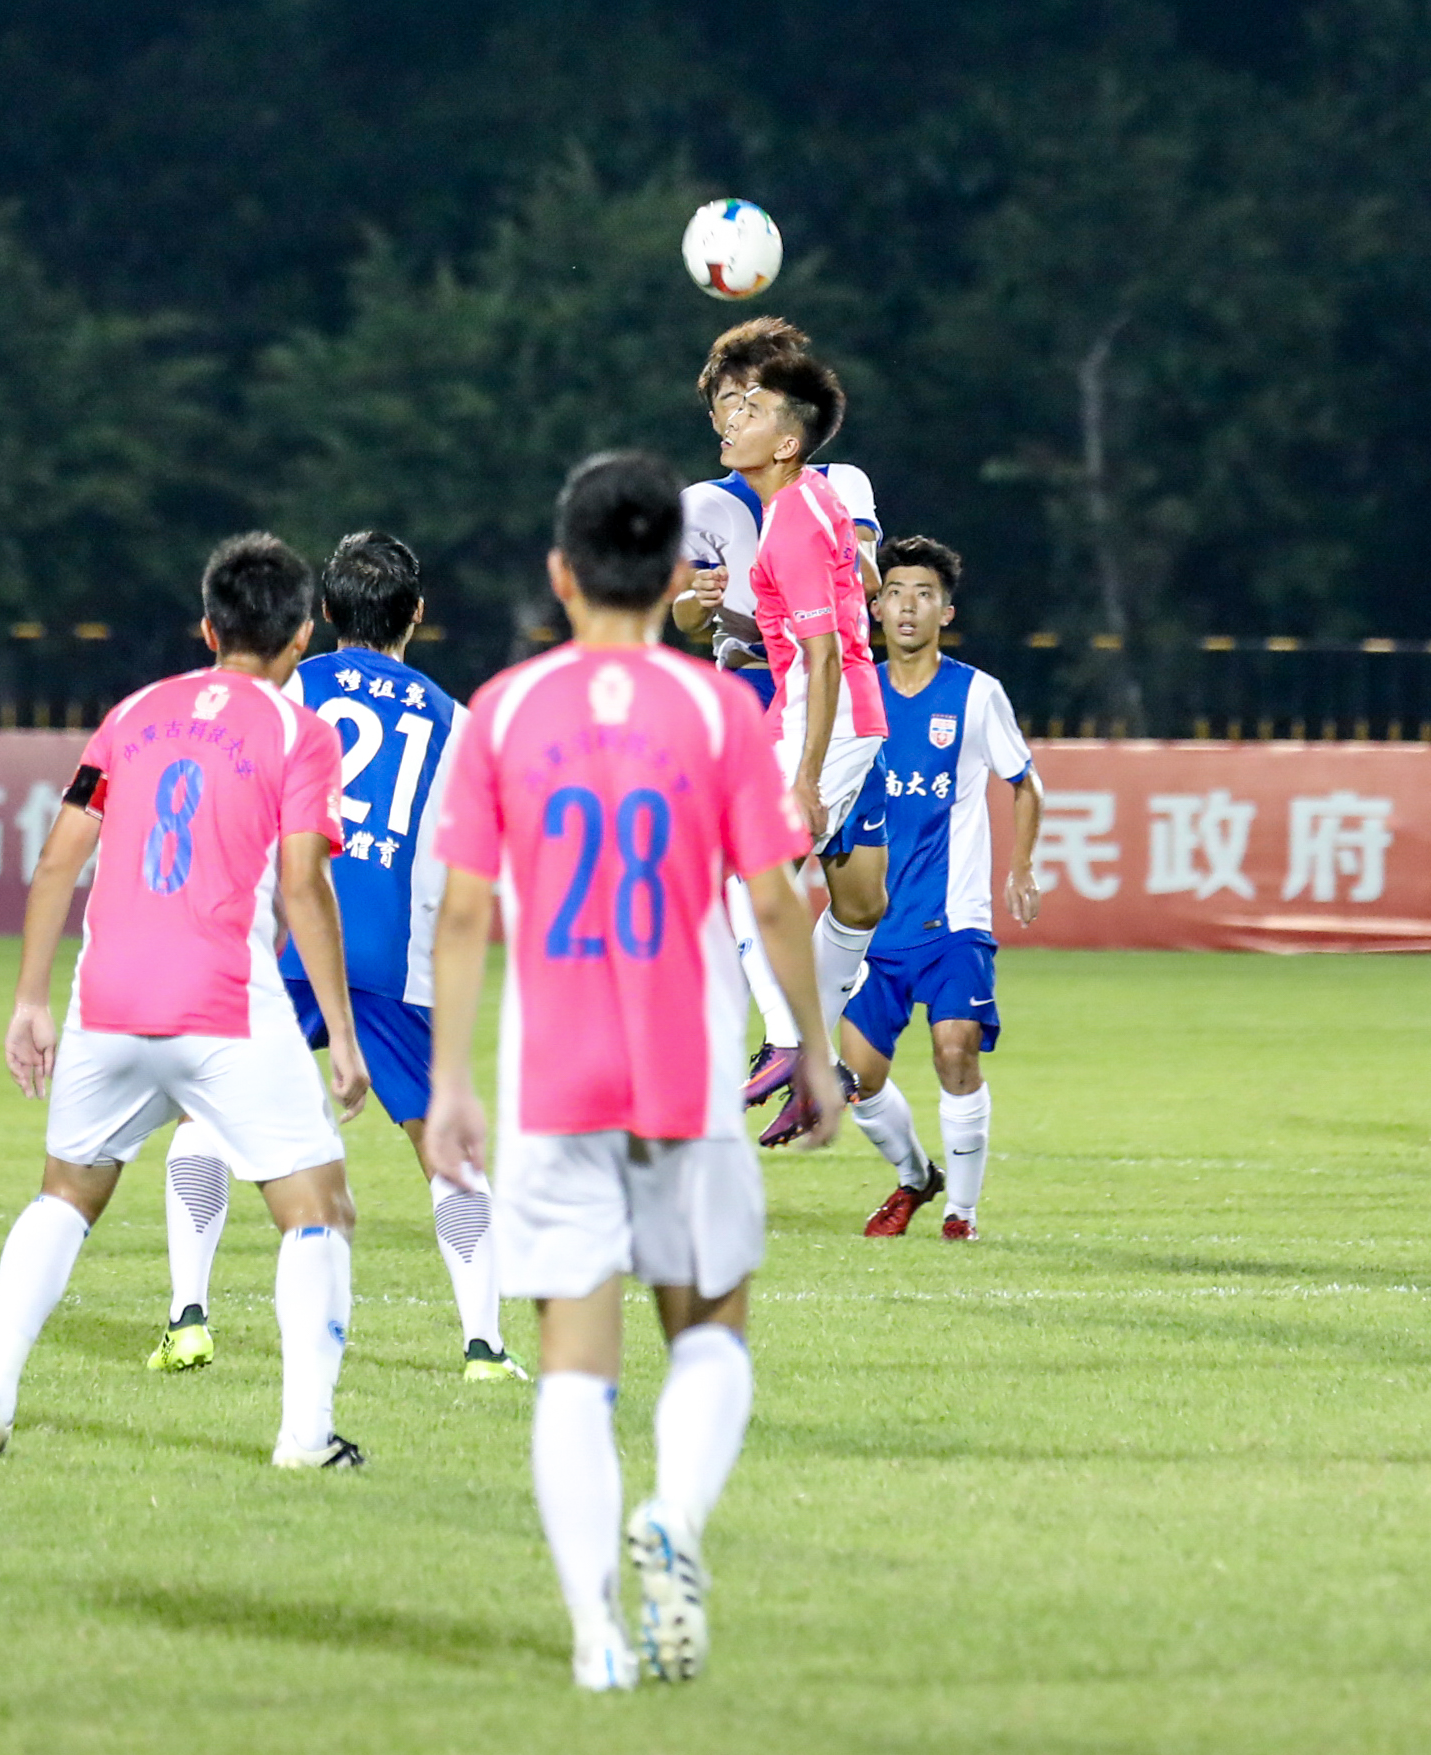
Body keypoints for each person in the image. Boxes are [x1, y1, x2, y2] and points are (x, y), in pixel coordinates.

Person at [421, 451, 836, 1691]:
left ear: (561, 574)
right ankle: (676, 1516)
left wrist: (450, 1084)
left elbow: (462, 913)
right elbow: (773, 897)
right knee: (710, 1325)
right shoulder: (715, 712)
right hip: (684, 1075)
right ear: (672, 579)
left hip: (554, 1085)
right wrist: (813, 1052)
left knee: (573, 1360)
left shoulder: (504, 711)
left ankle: (594, 1632)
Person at [0, 534, 372, 1469]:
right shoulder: (298, 732)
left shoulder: (132, 712)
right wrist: (341, 1033)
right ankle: (306, 1435)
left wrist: (29, 999)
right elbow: (305, 885)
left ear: (208, 628)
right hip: (222, 1003)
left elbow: (59, 858)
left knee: (66, 1196)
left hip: (106, 999)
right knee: (318, 1207)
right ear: (301, 636)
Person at [146, 533, 526, 1382]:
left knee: (204, 1115)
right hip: (392, 952)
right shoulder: (457, 723)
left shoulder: (284, 688)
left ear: (321, 613)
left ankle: (188, 1317)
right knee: (443, 1143)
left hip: (281, 937)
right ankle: (483, 1346)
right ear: (416, 614)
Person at [672, 317, 885, 1098]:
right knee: (747, 875)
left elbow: (842, 622)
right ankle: (788, 1046)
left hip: (820, 699)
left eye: (751, 401)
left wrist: (804, 774)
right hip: (773, 698)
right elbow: (687, 617)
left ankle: (797, 1042)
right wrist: (699, 601)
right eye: (727, 404)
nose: (734, 416)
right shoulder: (716, 504)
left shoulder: (818, 497)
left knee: (836, 893)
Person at [841, 536, 1045, 1241]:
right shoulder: (851, 694)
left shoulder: (975, 694)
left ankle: (962, 1213)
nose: (907, 606)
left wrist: (1020, 867)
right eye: (895, 592)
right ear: (875, 607)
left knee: (955, 1048)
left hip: (955, 917)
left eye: (923, 594)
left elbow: (1025, 783)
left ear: (945, 612)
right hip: (871, 923)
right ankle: (914, 1177)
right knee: (858, 1079)